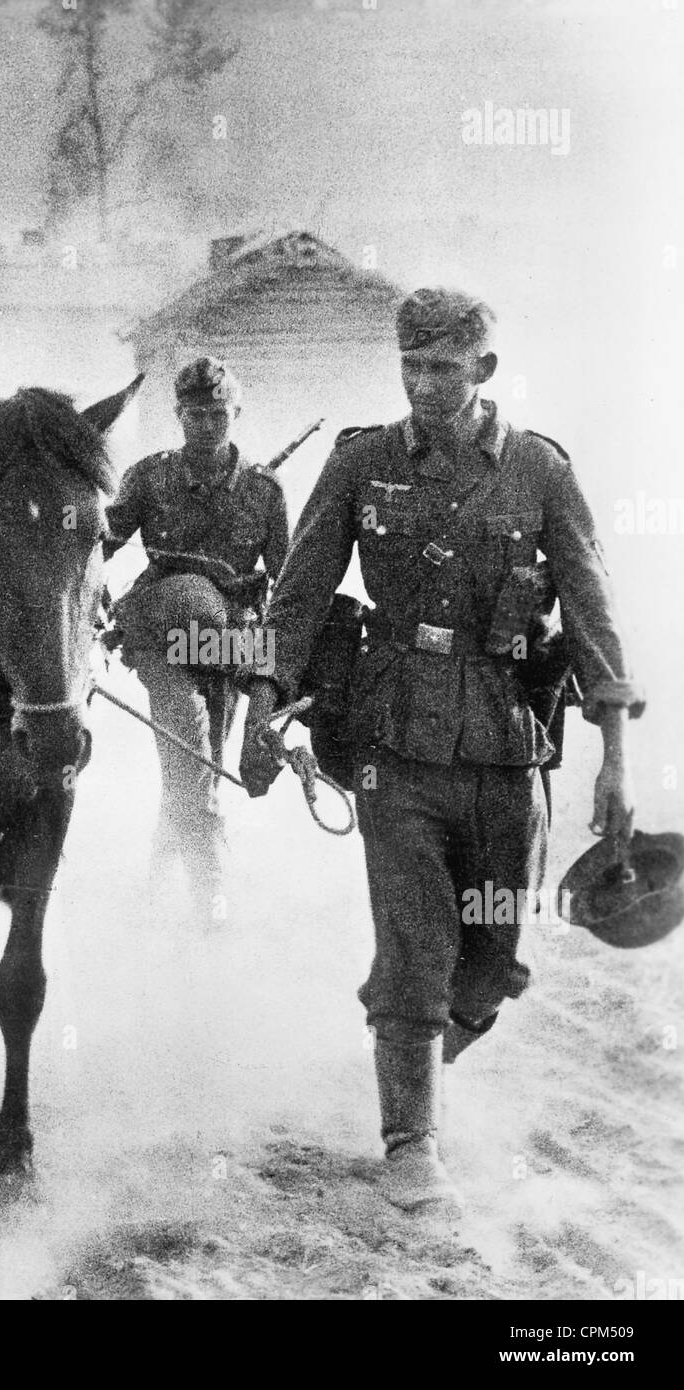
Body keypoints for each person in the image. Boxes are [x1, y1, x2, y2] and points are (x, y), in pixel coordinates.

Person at [239, 288, 644, 1212]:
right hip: (391, 739)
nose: (423, 385)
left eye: (443, 369)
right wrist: (263, 702)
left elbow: (592, 615)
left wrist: (616, 757)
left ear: (484, 372)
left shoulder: (540, 472)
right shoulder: (361, 463)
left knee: (494, 956)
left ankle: (418, 1048)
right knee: (416, 941)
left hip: (506, 740)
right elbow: (298, 595)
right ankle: (410, 1140)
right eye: (410, 368)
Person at [104, 356, 289, 925]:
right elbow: (98, 547)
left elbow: (286, 584)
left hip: (228, 645)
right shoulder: (149, 476)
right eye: (193, 415)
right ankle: (209, 898)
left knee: (192, 762)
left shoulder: (264, 491)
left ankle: (159, 877)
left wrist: (270, 669)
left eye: (217, 415)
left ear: (236, 413)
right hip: (164, 637)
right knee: (191, 748)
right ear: (178, 415)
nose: (205, 426)